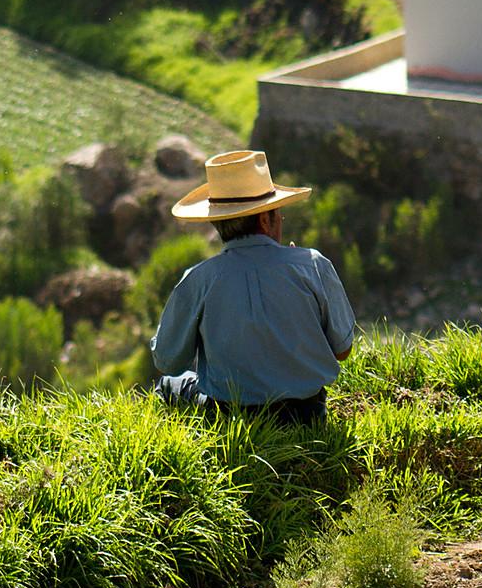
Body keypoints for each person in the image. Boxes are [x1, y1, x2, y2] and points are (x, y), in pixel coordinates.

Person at [150, 149, 356, 424]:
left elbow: (167, 362)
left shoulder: (198, 279)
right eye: (278, 213)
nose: (281, 220)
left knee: (169, 385)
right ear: (264, 219)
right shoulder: (312, 265)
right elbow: (342, 350)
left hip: (229, 418)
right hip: (307, 417)